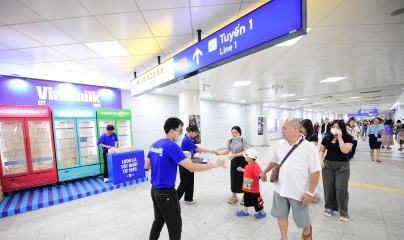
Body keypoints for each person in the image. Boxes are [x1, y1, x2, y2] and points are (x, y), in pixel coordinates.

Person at [145, 117, 224, 240]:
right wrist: (213, 165)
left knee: (158, 221)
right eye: (180, 131)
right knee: (175, 225)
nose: (181, 134)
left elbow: (147, 165)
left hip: (154, 190)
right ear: (172, 131)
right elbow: (191, 167)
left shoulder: (155, 144)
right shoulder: (172, 146)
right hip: (166, 193)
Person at [261, 119, 320, 240]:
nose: (282, 131)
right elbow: (274, 160)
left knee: (302, 221)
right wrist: (265, 171)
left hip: (298, 192)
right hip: (280, 188)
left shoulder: (309, 148)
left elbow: (315, 172)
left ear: (295, 129)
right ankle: (284, 237)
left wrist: (309, 193)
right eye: (282, 128)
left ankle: (307, 229)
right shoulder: (279, 144)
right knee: (281, 215)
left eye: (284, 128)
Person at [319, 120, 353, 222]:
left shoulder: (348, 138)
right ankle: (329, 207)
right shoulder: (326, 138)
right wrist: (320, 160)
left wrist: (340, 137)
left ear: (342, 128)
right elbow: (321, 150)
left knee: (341, 188)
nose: (335, 129)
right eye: (333, 127)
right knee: (328, 187)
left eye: (338, 127)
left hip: (343, 167)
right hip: (327, 165)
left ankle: (343, 211)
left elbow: (345, 150)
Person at [177, 125, 219, 204]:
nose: (196, 134)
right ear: (190, 132)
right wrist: (210, 150)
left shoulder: (190, 139)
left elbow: (194, 149)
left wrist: (196, 152)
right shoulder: (186, 140)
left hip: (189, 161)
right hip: (184, 163)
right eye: (195, 133)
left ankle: (188, 198)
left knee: (190, 181)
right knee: (184, 182)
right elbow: (197, 148)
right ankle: (175, 199)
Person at [217, 126, 249, 205]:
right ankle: (234, 196)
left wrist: (234, 155)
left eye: (236, 132)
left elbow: (246, 151)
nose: (234, 134)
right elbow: (228, 150)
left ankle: (246, 196)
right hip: (234, 162)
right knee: (234, 178)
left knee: (245, 178)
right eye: (232, 132)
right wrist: (220, 153)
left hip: (243, 161)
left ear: (239, 133)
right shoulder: (230, 140)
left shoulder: (243, 140)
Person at [235, 149, 266, 219]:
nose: (245, 157)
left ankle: (263, 212)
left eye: (246, 156)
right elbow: (248, 171)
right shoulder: (248, 165)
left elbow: (259, 172)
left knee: (257, 200)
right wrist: (242, 170)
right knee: (246, 198)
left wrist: (262, 175)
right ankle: (245, 211)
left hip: (253, 189)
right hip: (247, 186)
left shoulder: (255, 166)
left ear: (250, 158)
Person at [300, 119, 321, 204]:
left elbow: (312, 149)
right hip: (303, 160)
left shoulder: (313, 136)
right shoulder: (303, 136)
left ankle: (314, 195)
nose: (301, 129)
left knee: (311, 178)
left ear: (307, 127)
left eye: (303, 127)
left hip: (310, 161)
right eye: (301, 127)